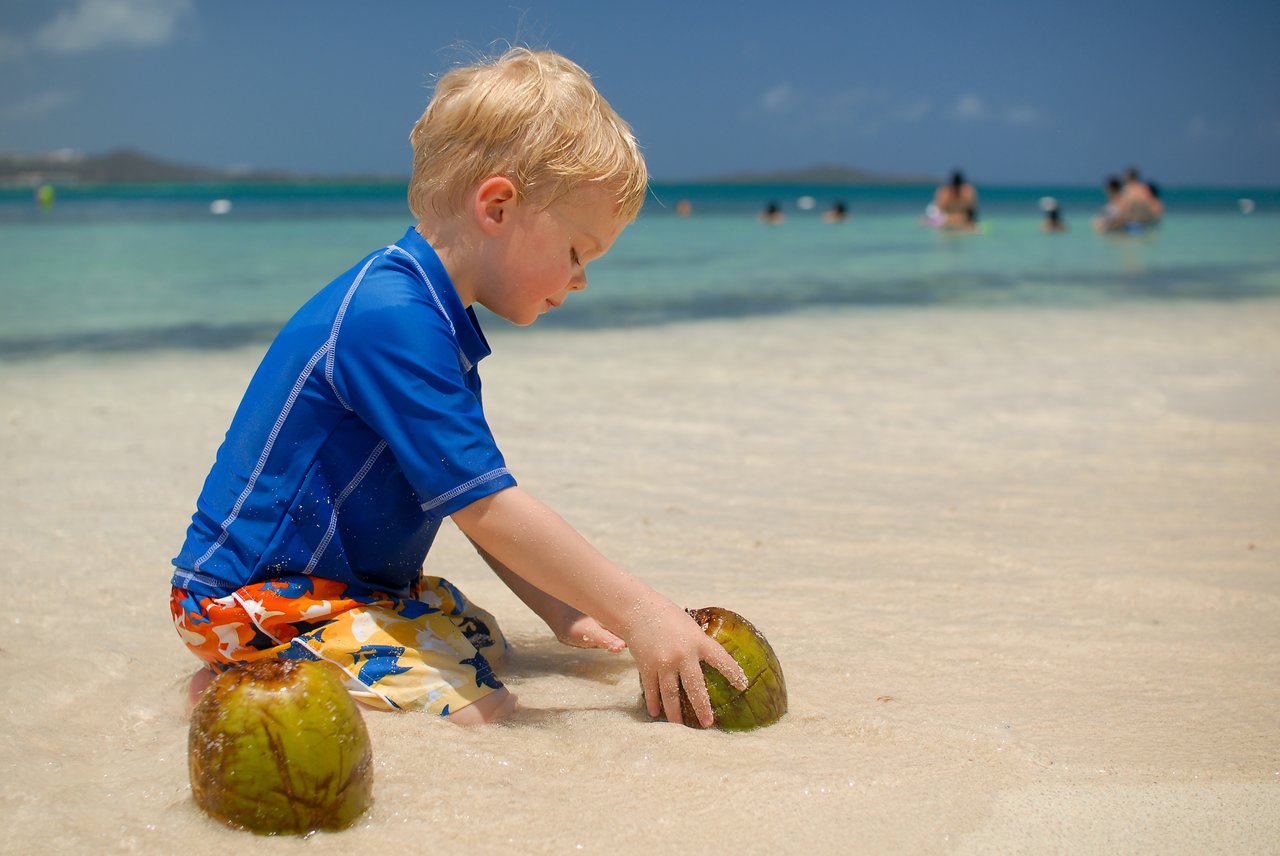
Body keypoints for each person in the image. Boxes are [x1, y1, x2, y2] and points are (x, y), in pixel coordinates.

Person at [169, 48, 746, 727]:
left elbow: (463, 494)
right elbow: (489, 508)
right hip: (251, 600)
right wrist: (642, 612)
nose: (582, 279)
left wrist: (565, 610)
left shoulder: (438, 322)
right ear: (498, 207)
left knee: (487, 645)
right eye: (576, 253)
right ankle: (234, 682)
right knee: (481, 711)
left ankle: (288, 665)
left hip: (347, 589)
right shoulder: (391, 319)